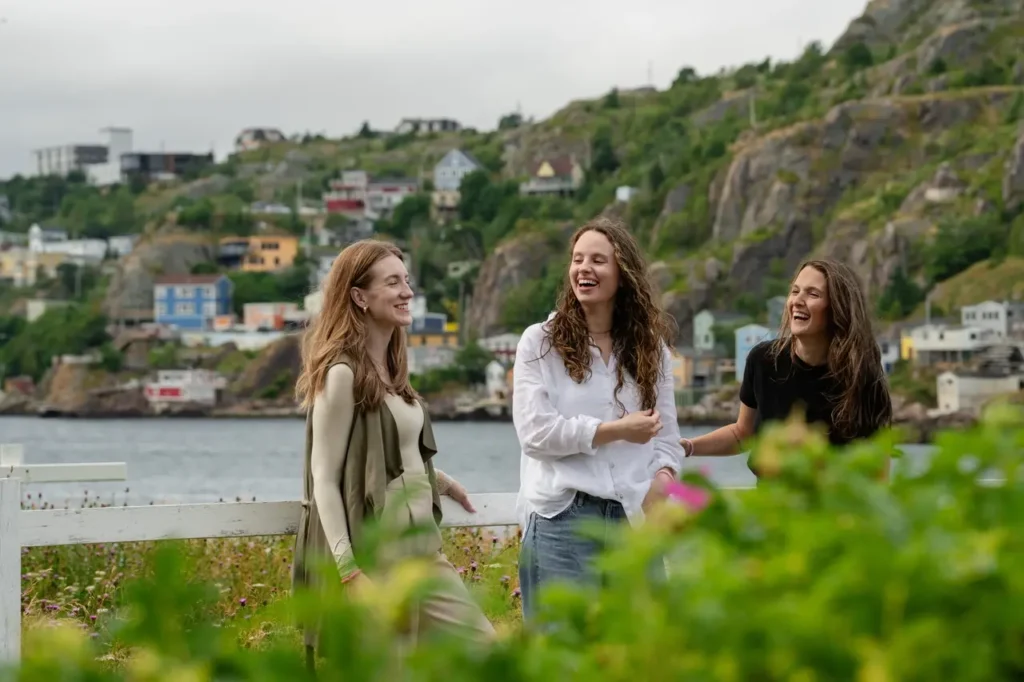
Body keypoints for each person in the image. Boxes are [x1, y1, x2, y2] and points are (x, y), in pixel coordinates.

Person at [292, 239, 494, 661]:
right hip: (375, 560)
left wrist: (439, 480)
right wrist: (350, 572)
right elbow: (324, 480)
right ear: (359, 297)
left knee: (491, 655)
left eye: (407, 281)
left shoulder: (393, 371)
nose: (407, 292)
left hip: (423, 554)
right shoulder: (341, 374)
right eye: (393, 282)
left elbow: (391, 458)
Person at [512, 216, 687, 620]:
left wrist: (661, 483)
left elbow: (668, 438)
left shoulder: (651, 349)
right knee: (560, 661)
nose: (583, 269)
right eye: (577, 259)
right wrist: (615, 431)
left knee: (640, 656)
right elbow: (535, 434)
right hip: (562, 521)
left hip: (632, 518)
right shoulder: (539, 342)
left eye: (597, 260)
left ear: (622, 273)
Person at [680, 259, 893, 471]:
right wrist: (687, 447)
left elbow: (877, 462)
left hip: (832, 503)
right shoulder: (763, 360)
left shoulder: (860, 372)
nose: (797, 301)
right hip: (772, 500)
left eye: (813, 294)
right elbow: (742, 433)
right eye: (795, 291)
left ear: (837, 308)